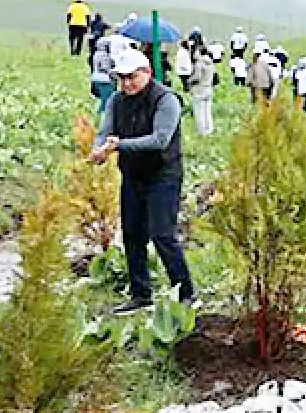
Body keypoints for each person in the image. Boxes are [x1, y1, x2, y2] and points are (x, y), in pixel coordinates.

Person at [87, 50, 196, 314]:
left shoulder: (166, 100)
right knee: (132, 235)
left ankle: (186, 292)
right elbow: (105, 132)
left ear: (147, 72)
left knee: (162, 234)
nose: (126, 84)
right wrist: (99, 149)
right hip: (133, 175)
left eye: (132, 77)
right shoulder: (116, 100)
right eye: (121, 78)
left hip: (163, 176)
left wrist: (119, 145)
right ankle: (140, 294)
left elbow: (160, 139)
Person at [190, 46, 216, 136]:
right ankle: (209, 130)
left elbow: (197, 77)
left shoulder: (199, 63)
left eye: (196, 51)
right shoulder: (210, 63)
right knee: (207, 111)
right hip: (208, 88)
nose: (194, 53)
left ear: (200, 53)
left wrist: (189, 80)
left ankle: (202, 131)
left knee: (199, 111)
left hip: (199, 89)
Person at [90, 38, 116, 114]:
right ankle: (101, 116)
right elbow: (105, 67)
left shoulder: (96, 54)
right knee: (106, 101)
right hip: (105, 80)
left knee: (103, 99)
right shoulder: (104, 55)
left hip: (96, 78)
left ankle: (100, 115)